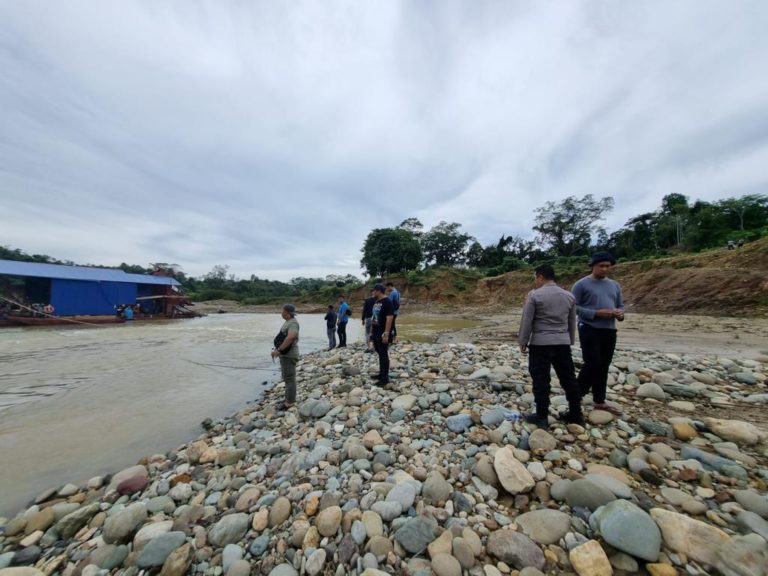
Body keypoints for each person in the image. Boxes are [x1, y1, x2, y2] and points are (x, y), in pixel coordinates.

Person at [518, 265, 583, 428]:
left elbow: (527, 321)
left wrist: (523, 341)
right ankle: (576, 414)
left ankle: (541, 416)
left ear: (540, 277)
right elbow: (571, 321)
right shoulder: (569, 296)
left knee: (541, 380)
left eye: (536, 278)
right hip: (562, 343)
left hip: (540, 343)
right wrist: (569, 340)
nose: (536, 281)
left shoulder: (534, 295)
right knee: (568, 379)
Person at [572, 252, 625, 416]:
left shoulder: (615, 285)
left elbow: (621, 305)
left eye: (607, 266)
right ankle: (576, 395)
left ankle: (599, 400)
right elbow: (573, 307)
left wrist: (620, 314)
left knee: (604, 365)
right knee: (592, 362)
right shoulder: (581, 285)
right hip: (588, 327)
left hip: (609, 328)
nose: (604, 269)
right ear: (592, 266)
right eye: (601, 266)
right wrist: (595, 313)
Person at [270, 303, 300, 410]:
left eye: (282, 311)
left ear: (287, 312)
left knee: (290, 378)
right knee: (287, 377)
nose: (281, 313)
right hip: (285, 355)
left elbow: (291, 337)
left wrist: (279, 350)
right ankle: (288, 398)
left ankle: (290, 402)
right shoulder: (288, 322)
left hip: (289, 355)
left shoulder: (293, 323)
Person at [370, 283, 394, 387]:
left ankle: (385, 378)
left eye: (374, 290)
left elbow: (390, 318)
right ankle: (381, 374)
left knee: (383, 354)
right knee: (379, 352)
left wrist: (386, 334)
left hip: (382, 332)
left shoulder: (387, 301)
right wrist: (371, 332)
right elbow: (374, 317)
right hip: (375, 331)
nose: (373, 292)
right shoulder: (377, 302)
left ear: (379, 291)